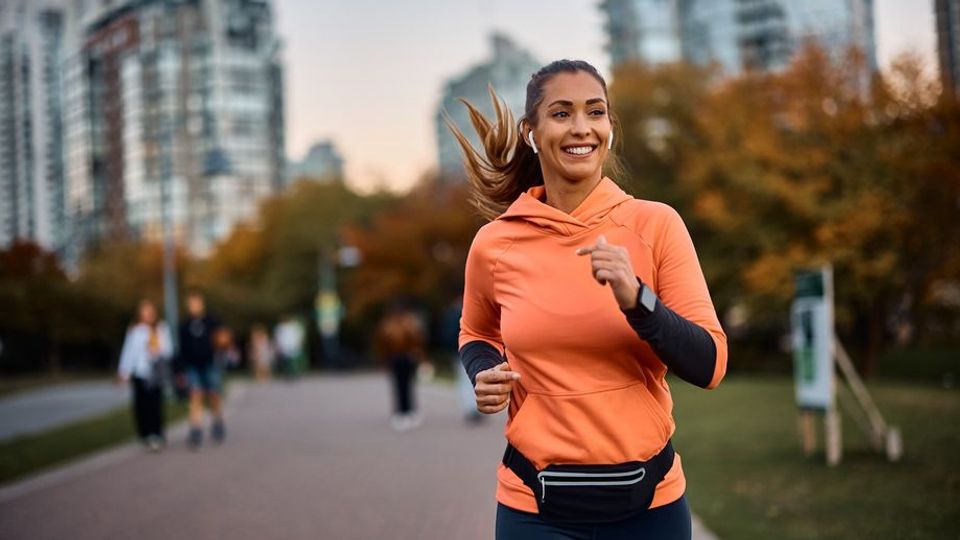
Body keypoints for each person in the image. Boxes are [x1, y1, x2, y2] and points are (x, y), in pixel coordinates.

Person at [450, 60, 728, 538]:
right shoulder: (495, 244)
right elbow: (475, 332)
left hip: (650, 507)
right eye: (561, 114)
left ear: (610, 129)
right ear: (532, 132)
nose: (581, 127)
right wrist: (483, 372)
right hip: (534, 508)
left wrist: (637, 300)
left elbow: (710, 364)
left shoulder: (656, 225)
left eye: (595, 112)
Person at [117, 299, 173, 452]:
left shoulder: (161, 328)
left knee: (155, 405)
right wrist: (124, 371)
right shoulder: (135, 330)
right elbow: (129, 352)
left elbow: (168, 350)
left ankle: (157, 434)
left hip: (155, 373)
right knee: (141, 405)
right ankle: (146, 434)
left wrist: (158, 350)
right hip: (140, 372)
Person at [177, 290, 225, 449]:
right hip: (192, 365)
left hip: (210, 363)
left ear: (202, 303)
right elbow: (182, 349)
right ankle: (196, 428)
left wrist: (222, 345)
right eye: (191, 303)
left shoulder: (212, 321)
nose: (194, 306)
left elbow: (222, 338)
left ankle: (217, 421)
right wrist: (180, 369)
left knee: (214, 394)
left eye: (196, 302)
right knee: (195, 395)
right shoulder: (184, 326)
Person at [375, 302, 427, 431]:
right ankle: (404, 411)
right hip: (399, 359)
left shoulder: (395, 325)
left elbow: (417, 341)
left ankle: (406, 411)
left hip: (403, 358)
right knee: (403, 386)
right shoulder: (401, 325)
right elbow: (383, 345)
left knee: (404, 386)